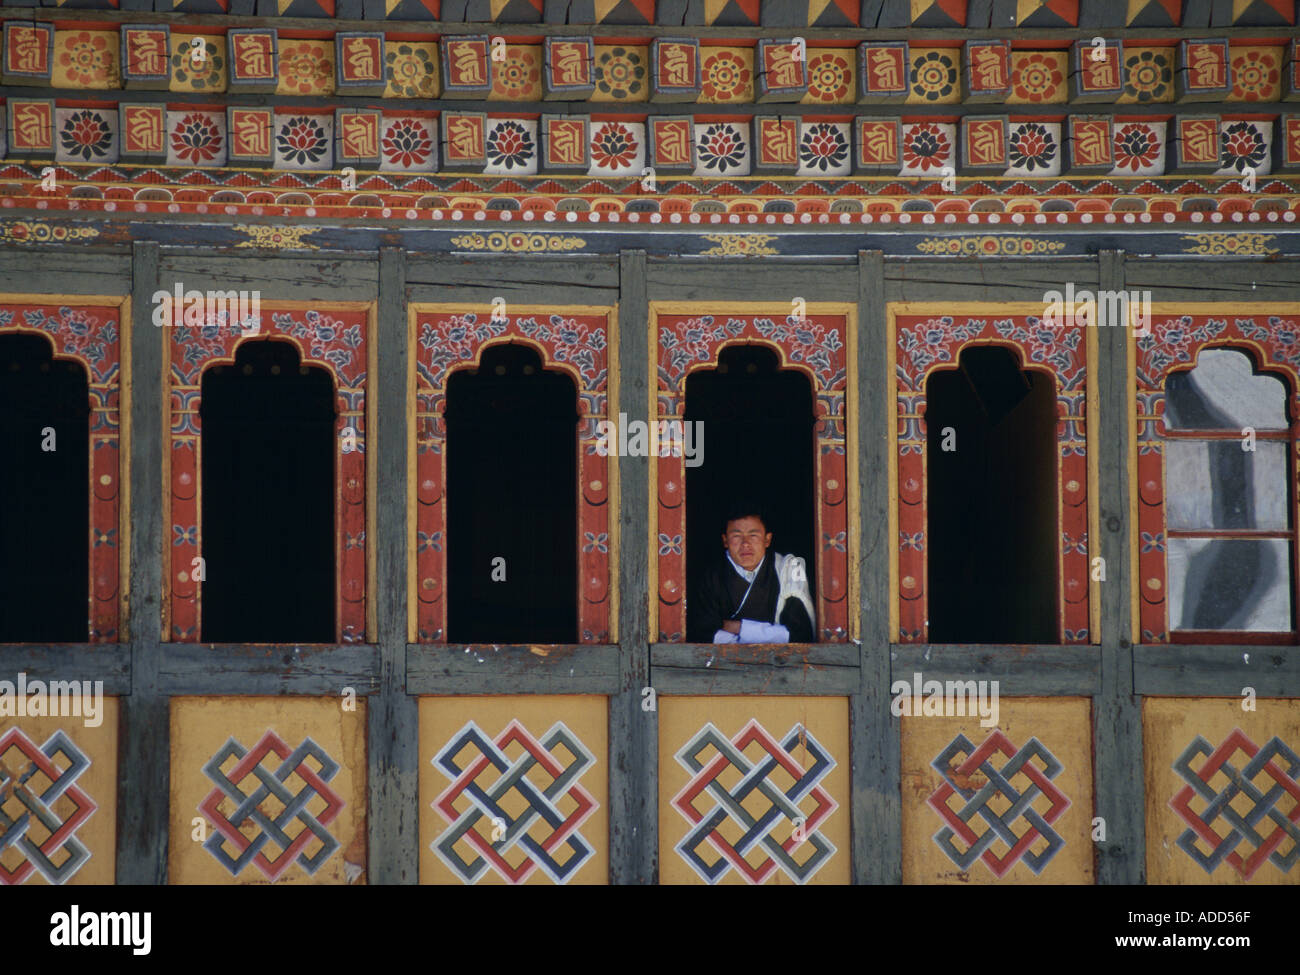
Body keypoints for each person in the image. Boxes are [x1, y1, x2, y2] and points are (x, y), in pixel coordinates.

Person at [690, 503, 815, 644]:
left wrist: (738, 627)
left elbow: (801, 634)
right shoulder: (711, 577)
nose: (745, 544)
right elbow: (702, 634)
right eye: (736, 536)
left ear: (767, 539)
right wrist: (771, 635)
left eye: (753, 535)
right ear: (725, 541)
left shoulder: (789, 569)